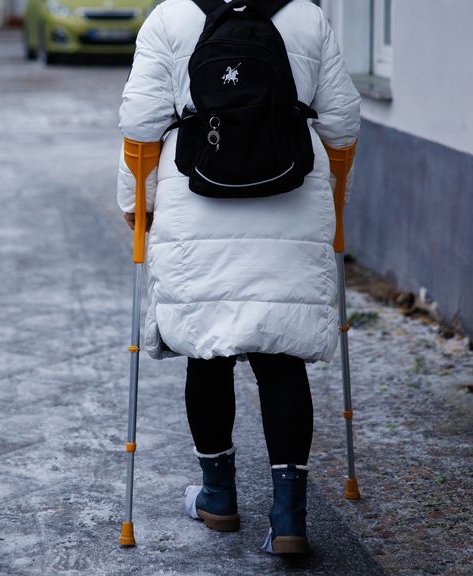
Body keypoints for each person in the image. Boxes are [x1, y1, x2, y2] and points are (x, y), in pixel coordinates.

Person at [116, 0, 360, 555]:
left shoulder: (171, 18)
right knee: (281, 358)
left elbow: (140, 123)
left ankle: (219, 497)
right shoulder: (306, 16)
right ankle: (289, 518)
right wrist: (338, 199)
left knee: (208, 351)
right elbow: (342, 121)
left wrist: (136, 205)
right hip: (291, 199)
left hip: (195, 199)